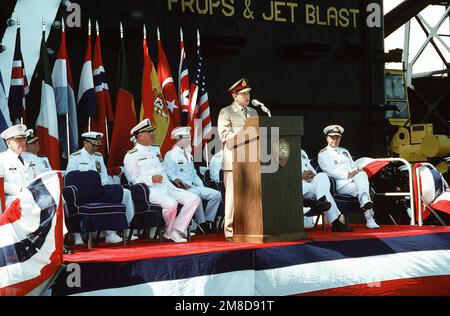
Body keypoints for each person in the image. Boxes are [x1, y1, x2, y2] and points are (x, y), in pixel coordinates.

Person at [123, 119, 200, 243]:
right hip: (150, 189)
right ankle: (170, 232)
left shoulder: (154, 151)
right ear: (141, 136)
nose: (152, 135)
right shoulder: (131, 155)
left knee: (194, 199)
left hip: (167, 186)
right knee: (171, 204)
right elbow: (133, 178)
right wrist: (151, 179)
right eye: (149, 133)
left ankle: (177, 229)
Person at [66, 131, 136, 245]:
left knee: (122, 192)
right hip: (83, 193)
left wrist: (109, 186)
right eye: (93, 145)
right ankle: (106, 232)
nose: (95, 148)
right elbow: (71, 179)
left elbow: (104, 176)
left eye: (97, 145)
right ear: (85, 143)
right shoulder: (75, 157)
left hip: (100, 189)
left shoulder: (98, 156)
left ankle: (122, 229)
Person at [217, 78, 258, 240]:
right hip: (233, 160)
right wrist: (244, 134)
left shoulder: (253, 112)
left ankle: (250, 227)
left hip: (251, 161)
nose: (247, 96)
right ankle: (230, 230)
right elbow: (224, 135)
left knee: (251, 195)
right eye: (244, 94)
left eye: (248, 93)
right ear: (235, 95)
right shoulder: (226, 112)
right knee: (233, 198)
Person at [318, 125, 379, 229]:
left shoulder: (344, 151)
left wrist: (357, 169)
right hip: (339, 183)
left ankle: (366, 207)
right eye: (332, 137)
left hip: (353, 181)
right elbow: (329, 171)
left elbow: (353, 165)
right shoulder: (323, 154)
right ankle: (369, 217)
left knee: (362, 174)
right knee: (362, 187)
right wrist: (348, 174)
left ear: (340, 138)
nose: (335, 140)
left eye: (337, 137)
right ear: (327, 138)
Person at [164, 126, 221, 234]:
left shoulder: (188, 155)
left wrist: (201, 187)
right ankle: (201, 223)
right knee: (196, 197)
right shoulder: (170, 155)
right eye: (186, 138)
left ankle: (209, 220)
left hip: (194, 186)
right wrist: (180, 182)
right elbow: (169, 173)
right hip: (182, 188)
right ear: (178, 139)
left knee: (216, 195)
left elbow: (194, 174)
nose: (189, 140)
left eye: (189, 137)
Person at [301, 149, 353, 232]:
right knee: (324, 192)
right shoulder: (282, 150)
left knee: (322, 175)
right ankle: (335, 222)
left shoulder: (302, 152)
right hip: (297, 185)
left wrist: (312, 174)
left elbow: (309, 167)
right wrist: (300, 175)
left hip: (310, 183)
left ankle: (321, 201)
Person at [0, 124, 34, 209]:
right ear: (8, 143)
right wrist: (20, 189)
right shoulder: (2, 159)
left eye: (24, 139)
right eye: (18, 140)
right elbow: (1, 184)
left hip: (33, 201)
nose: (23, 142)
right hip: (13, 203)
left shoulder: (31, 157)